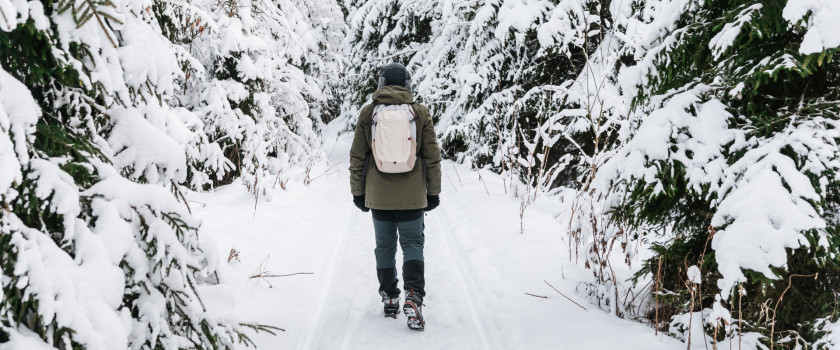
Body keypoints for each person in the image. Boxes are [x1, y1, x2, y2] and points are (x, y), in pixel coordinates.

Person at [348, 62, 442, 331]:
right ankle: (414, 296)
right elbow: (432, 157)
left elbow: (358, 157)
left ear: (381, 83)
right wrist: (433, 191)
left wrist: (358, 192)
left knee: (384, 246)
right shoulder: (420, 112)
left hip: (378, 196)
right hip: (413, 196)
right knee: (413, 244)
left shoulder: (368, 113)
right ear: (407, 84)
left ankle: (389, 297)